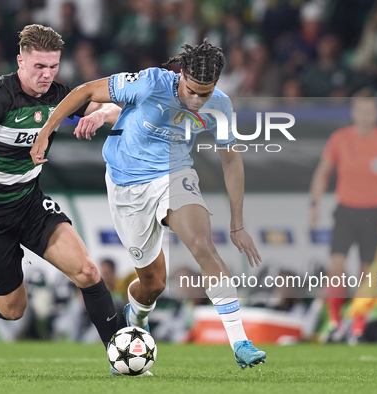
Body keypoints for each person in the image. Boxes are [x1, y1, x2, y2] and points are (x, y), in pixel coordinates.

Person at [31, 40, 267, 370]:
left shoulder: (220, 105)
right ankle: (136, 319)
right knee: (153, 284)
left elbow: (231, 159)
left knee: (203, 245)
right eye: (192, 91)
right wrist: (46, 131)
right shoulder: (150, 82)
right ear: (180, 74)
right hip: (126, 185)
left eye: (206, 93)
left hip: (175, 175)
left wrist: (237, 223)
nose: (197, 101)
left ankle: (239, 340)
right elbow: (85, 91)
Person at [0, 25, 122, 351]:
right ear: (20, 62)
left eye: (53, 66)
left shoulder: (59, 96)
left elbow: (113, 109)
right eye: (39, 67)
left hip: (29, 205)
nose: (46, 74)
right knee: (12, 310)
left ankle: (122, 355)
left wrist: (101, 116)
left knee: (87, 271)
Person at [309, 95, 377, 339]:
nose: (365, 115)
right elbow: (323, 171)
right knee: (336, 266)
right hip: (345, 210)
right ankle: (334, 321)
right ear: (353, 113)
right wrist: (314, 202)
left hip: (373, 213)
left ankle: (358, 324)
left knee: (367, 272)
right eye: (360, 110)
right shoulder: (340, 139)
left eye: (369, 111)